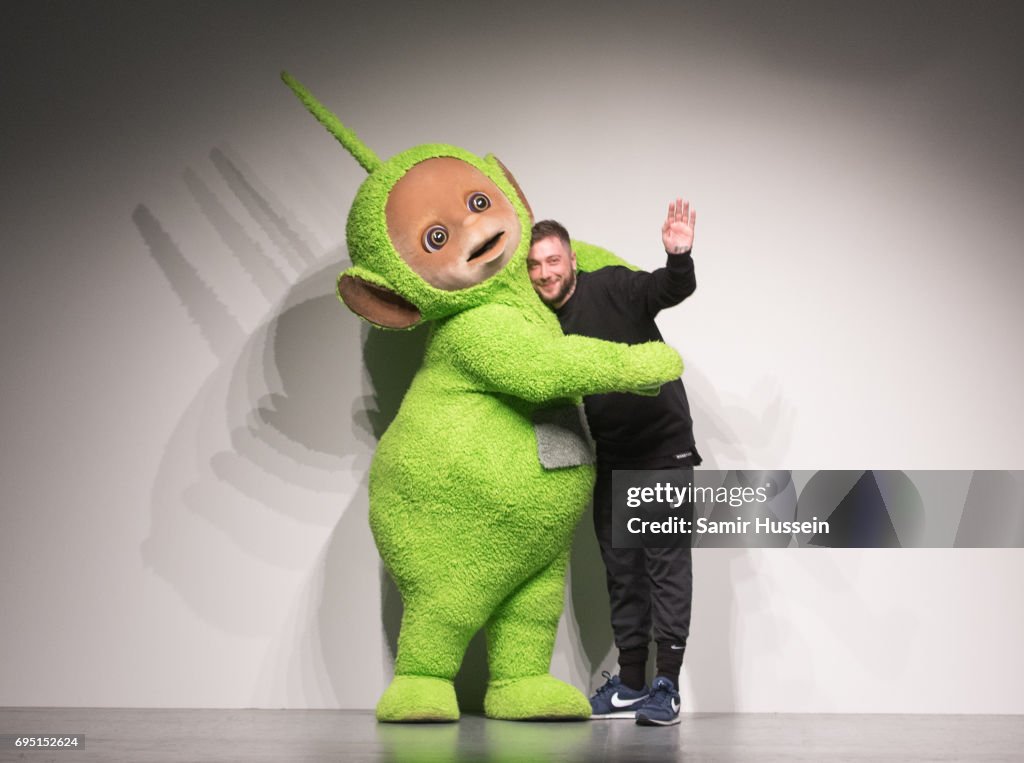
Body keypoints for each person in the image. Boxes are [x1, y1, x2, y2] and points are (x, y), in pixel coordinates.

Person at [527, 200, 700, 727]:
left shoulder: (611, 286)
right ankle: (630, 684)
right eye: (534, 266)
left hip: (663, 450)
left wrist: (678, 257)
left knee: (665, 567)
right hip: (614, 457)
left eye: (552, 261)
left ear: (571, 260)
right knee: (623, 573)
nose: (544, 274)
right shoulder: (540, 322)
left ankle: (666, 686)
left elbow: (666, 291)